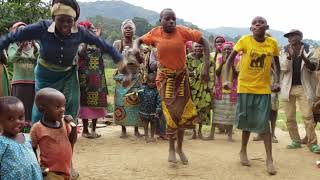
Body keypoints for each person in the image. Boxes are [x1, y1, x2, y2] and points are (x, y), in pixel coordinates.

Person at [0, 0, 125, 124]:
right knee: (42, 105)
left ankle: (68, 135)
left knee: (70, 105)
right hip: (45, 74)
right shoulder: (42, 27)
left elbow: (102, 44)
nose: (65, 24)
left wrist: (119, 59)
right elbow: (13, 37)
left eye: (69, 20)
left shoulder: (80, 32)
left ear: (74, 20)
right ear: (54, 18)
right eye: (60, 20)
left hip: (68, 75)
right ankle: (37, 137)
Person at [133, 8, 210, 165]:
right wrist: (136, 49)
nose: (171, 21)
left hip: (181, 78)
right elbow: (138, 40)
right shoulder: (155, 33)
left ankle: (180, 148)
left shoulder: (182, 31)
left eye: (173, 19)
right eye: (167, 19)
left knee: (182, 114)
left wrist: (206, 66)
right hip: (164, 80)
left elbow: (205, 42)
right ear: (160, 20)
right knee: (170, 114)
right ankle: (170, 149)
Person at [224, 16, 280, 175]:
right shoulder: (244, 40)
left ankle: (269, 159)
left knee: (264, 124)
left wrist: (277, 81)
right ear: (251, 28)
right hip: (245, 87)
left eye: (260, 22)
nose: (257, 25)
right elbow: (229, 61)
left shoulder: (272, 44)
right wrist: (227, 80)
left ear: (266, 26)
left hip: (263, 89)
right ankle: (243, 151)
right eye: (254, 23)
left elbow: (276, 64)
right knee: (246, 121)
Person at [280, 29, 319, 153]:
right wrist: (289, 57)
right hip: (288, 87)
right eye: (289, 36)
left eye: (293, 36)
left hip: (304, 87)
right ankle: (295, 141)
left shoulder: (309, 49)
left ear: (300, 37)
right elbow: (283, 69)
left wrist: (303, 57)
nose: (290, 38)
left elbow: (314, 67)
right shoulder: (285, 49)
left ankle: (312, 143)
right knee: (290, 116)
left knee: (308, 116)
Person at [30, 88, 77, 180]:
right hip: (50, 171)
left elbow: (72, 140)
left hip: (67, 169)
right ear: (42, 109)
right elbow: (32, 149)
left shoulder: (65, 123)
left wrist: (74, 126)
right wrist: (37, 167)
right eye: (57, 107)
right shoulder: (37, 128)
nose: (62, 110)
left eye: (64, 106)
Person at [0, 96, 43, 180]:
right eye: (11, 119)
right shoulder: (2, 142)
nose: (18, 121)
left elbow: (33, 154)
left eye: (20, 117)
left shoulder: (26, 137)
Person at [113, 19, 143, 138]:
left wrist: (136, 53)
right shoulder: (118, 43)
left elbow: (141, 61)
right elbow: (115, 58)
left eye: (131, 28)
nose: (128, 29)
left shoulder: (138, 43)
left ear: (134, 30)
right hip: (122, 78)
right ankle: (123, 129)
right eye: (126, 28)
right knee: (121, 103)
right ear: (122, 30)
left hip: (135, 77)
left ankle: (136, 130)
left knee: (136, 103)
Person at [7, 22, 39, 133]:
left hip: (32, 81)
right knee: (18, 106)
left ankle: (30, 129)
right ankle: (18, 129)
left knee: (31, 106)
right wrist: (20, 47)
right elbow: (11, 59)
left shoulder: (34, 45)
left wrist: (34, 44)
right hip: (19, 82)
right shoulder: (13, 45)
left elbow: (39, 58)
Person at [77, 21, 107, 139]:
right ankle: (85, 130)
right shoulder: (80, 42)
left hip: (97, 77)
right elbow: (81, 53)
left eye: (94, 29)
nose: (94, 31)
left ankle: (93, 129)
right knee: (84, 102)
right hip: (85, 77)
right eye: (91, 29)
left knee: (97, 103)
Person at [209, 42, 239, 141]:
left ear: (232, 50)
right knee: (216, 113)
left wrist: (231, 64)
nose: (227, 50)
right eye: (225, 49)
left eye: (229, 49)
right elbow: (217, 73)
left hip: (232, 91)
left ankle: (229, 135)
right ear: (222, 50)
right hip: (220, 90)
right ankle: (211, 134)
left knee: (230, 113)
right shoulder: (219, 59)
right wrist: (223, 62)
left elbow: (236, 75)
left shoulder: (237, 60)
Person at [187, 42, 214, 139]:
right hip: (192, 86)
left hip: (204, 87)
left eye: (200, 46)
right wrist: (193, 73)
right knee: (192, 110)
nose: (198, 48)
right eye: (196, 46)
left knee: (203, 109)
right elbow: (185, 70)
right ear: (193, 48)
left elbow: (211, 72)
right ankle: (193, 131)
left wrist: (210, 87)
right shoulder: (189, 57)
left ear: (204, 48)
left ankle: (200, 132)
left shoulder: (208, 58)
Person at [138, 73, 161, 143]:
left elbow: (159, 101)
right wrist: (137, 93)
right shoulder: (142, 89)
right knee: (145, 123)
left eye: (153, 82)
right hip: (144, 111)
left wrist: (158, 110)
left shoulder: (157, 91)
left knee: (153, 123)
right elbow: (138, 96)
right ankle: (146, 136)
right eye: (149, 82)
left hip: (153, 112)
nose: (151, 83)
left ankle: (152, 136)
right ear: (146, 82)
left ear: (156, 82)